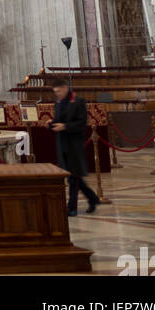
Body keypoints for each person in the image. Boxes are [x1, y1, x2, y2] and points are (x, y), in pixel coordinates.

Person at [51, 80, 99, 216]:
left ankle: (72, 208)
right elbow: (59, 120)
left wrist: (65, 126)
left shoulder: (78, 101)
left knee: (73, 178)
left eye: (59, 91)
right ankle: (93, 199)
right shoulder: (58, 103)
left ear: (65, 88)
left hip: (74, 145)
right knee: (73, 177)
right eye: (55, 92)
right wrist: (52, 123)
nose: (57, 94)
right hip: (62, 144)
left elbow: (82, 123)